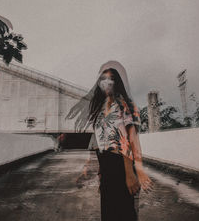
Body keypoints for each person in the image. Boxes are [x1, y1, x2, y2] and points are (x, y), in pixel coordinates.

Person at [65, 60, 154, 221]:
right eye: (103, 78)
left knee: (125, 213)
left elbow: (129, 138)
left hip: (121, 164)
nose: (106, 82)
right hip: (106, 167)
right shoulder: (101, 108)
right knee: (109, 213)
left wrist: (131, 173)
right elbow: (102, 141)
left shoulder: (123, 103)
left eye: (111, 78)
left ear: (117, 82)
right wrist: (101, 173)